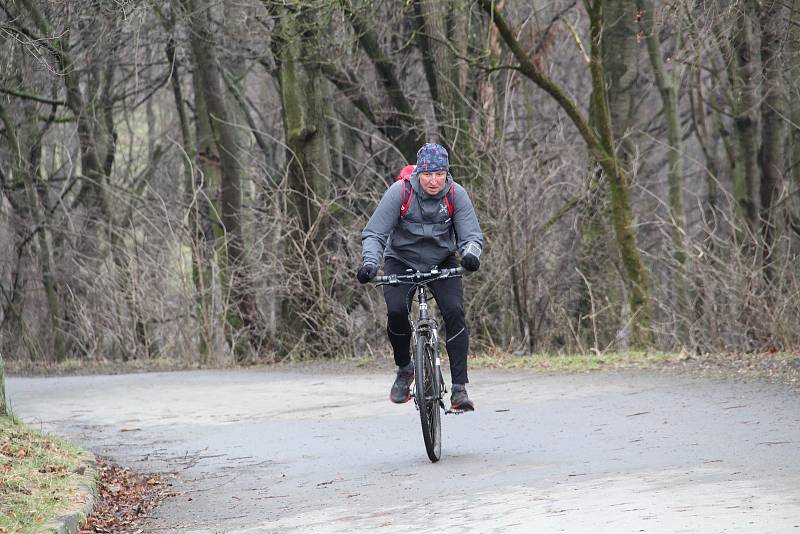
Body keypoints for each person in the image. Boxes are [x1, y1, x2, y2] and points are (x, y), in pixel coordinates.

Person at [356, 143, 484, 411]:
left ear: (447, 173)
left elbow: (471, 236)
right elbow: (375, 233)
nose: (434, 180)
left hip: (442, 261)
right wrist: (370, 263)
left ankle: (459, 389)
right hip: (401, 260)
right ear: (418, 173)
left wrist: (471, 255)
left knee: (454, 311)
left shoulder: (456, 194)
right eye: (428, 174)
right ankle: (405, 368)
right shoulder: (399, 192)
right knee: (396, 312)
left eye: (439, 174)